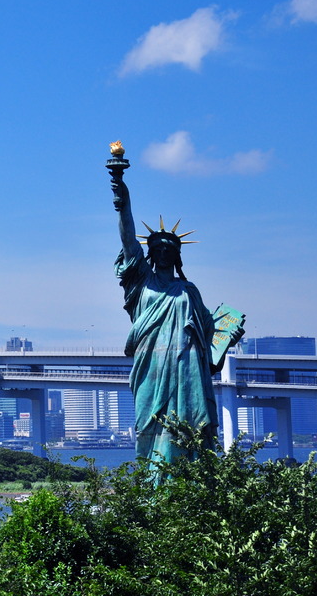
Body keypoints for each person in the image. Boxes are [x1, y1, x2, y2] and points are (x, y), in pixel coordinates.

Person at [110, 173, 221, 466]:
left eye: (168, 250)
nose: (162, 253)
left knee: (189, 424)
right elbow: (128, 238)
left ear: (177, 255)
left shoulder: (188, 291)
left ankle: (190, 478)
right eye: (156, 249)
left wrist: (227, 337)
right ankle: (152, 480)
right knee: (149, 422)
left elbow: (210, 333)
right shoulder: (141, 282)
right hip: (151, 365)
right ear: (149, 252)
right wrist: (123, 198)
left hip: (187, 368)